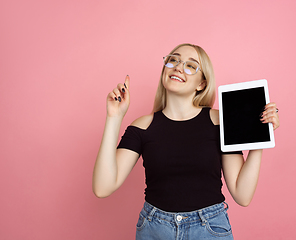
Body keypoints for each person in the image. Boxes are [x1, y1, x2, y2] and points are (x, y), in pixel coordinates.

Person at [92, 43, 280, 239]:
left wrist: (261, 136)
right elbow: (102, 187)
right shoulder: (142, 127)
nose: (178, 67)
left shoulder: (221, 122)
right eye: (173, 60)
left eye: (191, 65)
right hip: (154, 229)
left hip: (209, 230)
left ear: (201, 84)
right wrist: (114, 117)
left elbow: (243, 195)